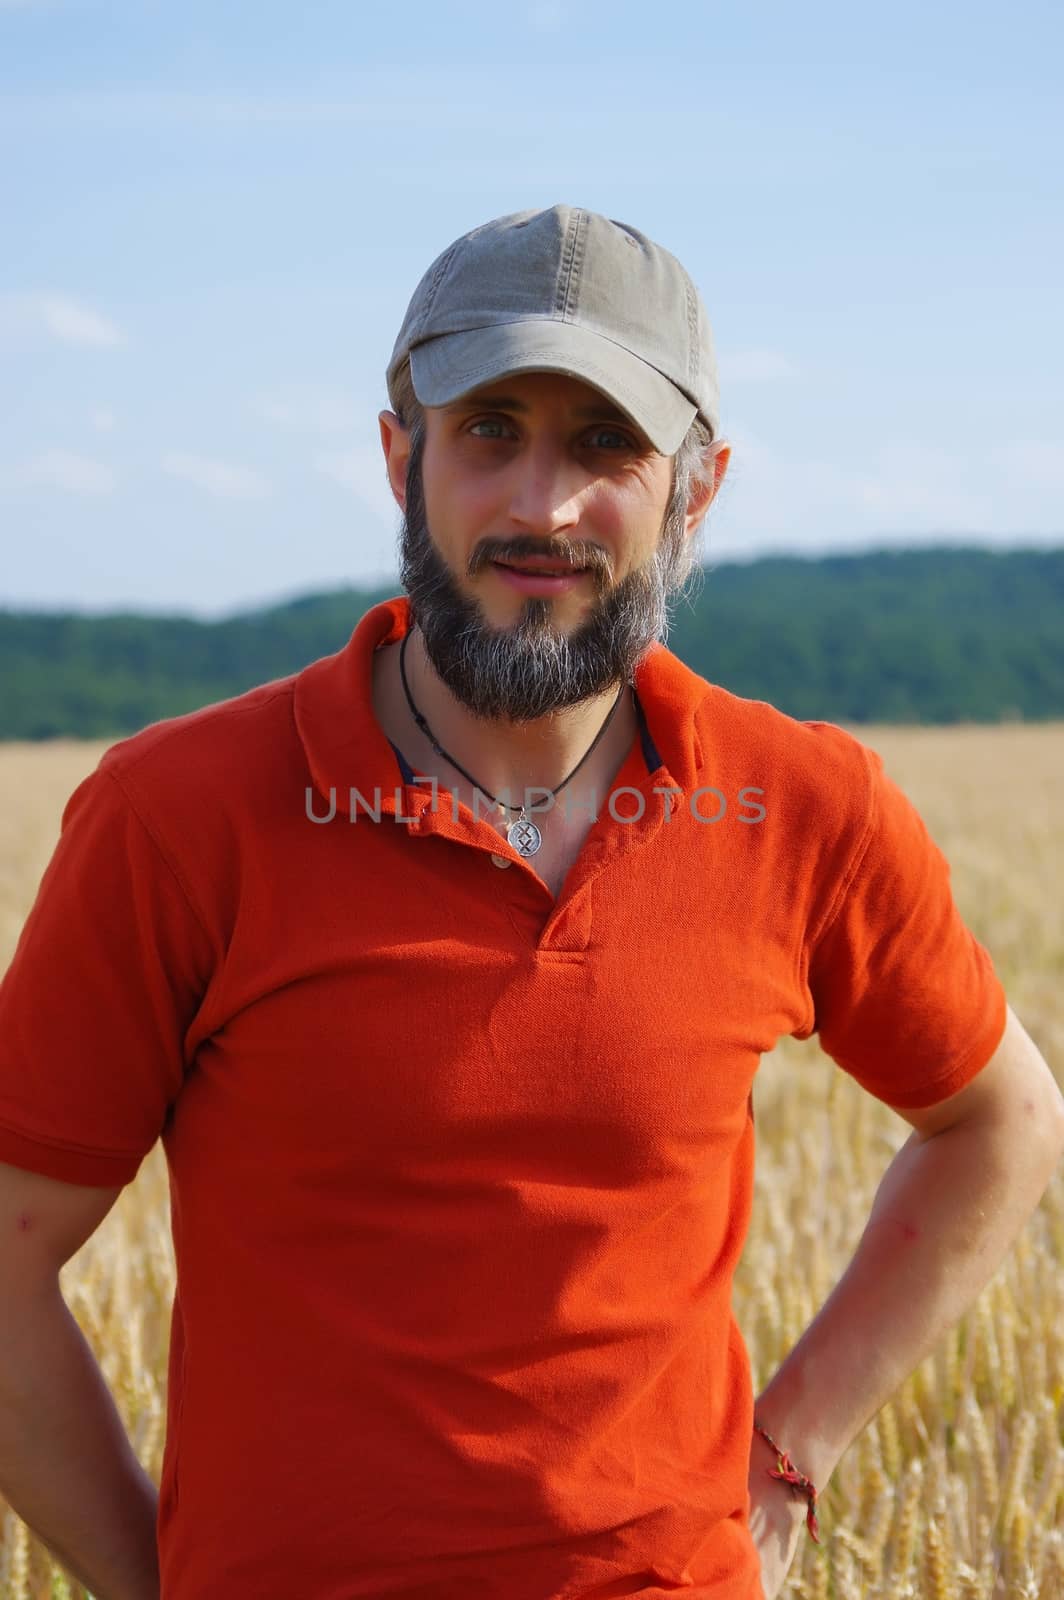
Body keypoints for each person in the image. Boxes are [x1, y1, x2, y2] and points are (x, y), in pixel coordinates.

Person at [0, 203, 1061, 1600]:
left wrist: (794, 1443)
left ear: (700, 485)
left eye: (606, 444)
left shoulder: (804, 806)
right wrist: (156, 1581)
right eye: (491, 428)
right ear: (400, 459)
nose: (541, 506)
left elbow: (1002, 1119)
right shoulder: (178, 815)